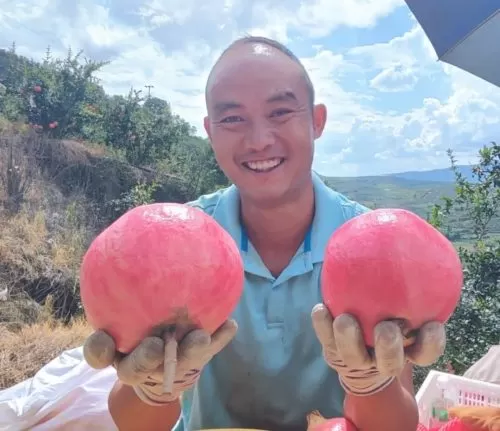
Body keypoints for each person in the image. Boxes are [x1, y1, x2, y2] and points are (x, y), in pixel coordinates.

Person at [83, 36, 447, 431]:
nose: (258, 140)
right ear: (210, 130)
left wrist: (369, 382)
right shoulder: (162, 245)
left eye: (281, 111)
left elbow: (395, 426)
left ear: (317, 121)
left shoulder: (383, 249)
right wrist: (154, 388)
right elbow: (136, 424)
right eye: (233, 118)